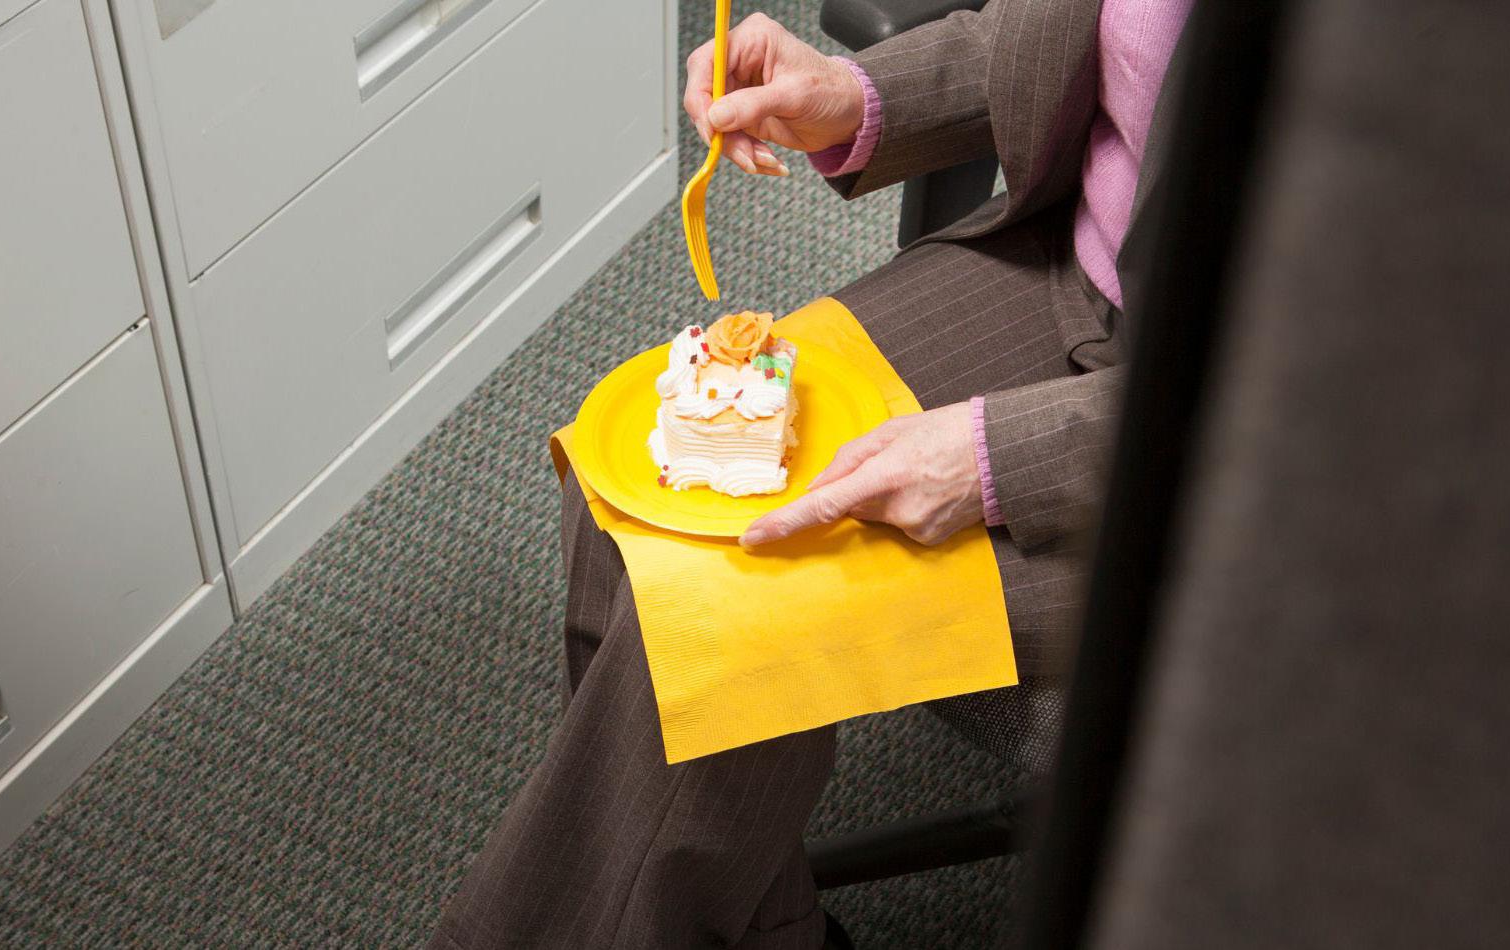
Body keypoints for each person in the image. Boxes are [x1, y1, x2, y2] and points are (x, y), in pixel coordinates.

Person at [428, 1, 1192, 946]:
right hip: (1069, 273)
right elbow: (1073, 36)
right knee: (630, 503)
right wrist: (851, 95)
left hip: (1247, 459)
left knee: (727, 623)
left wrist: (996, 459)